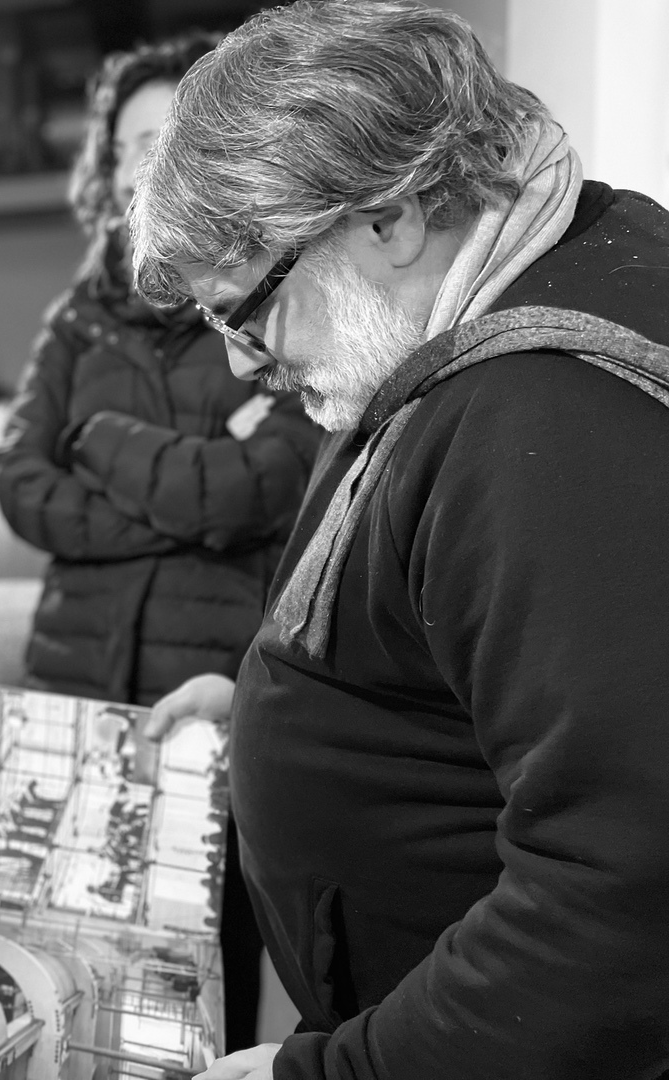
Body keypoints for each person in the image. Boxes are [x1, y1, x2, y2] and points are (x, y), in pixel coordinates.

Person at [130, 2, 669, 1076]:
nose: (241, 362)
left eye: (249, 311)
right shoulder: (489, 304)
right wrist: (289, 712)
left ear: (387, 218)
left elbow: (623, 891)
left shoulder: (550, 411)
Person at [0, 37, 322, 1051]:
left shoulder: (272, 297)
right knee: (60, 983)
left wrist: (97, 443)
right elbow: (20, 487)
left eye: (170, 133)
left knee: (201, 979)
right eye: (130, 142)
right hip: (74, 693)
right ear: (104, 169)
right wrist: (188, 492)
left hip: (210, 689)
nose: (149, 160)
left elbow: (262, 485)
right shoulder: (74, 321)